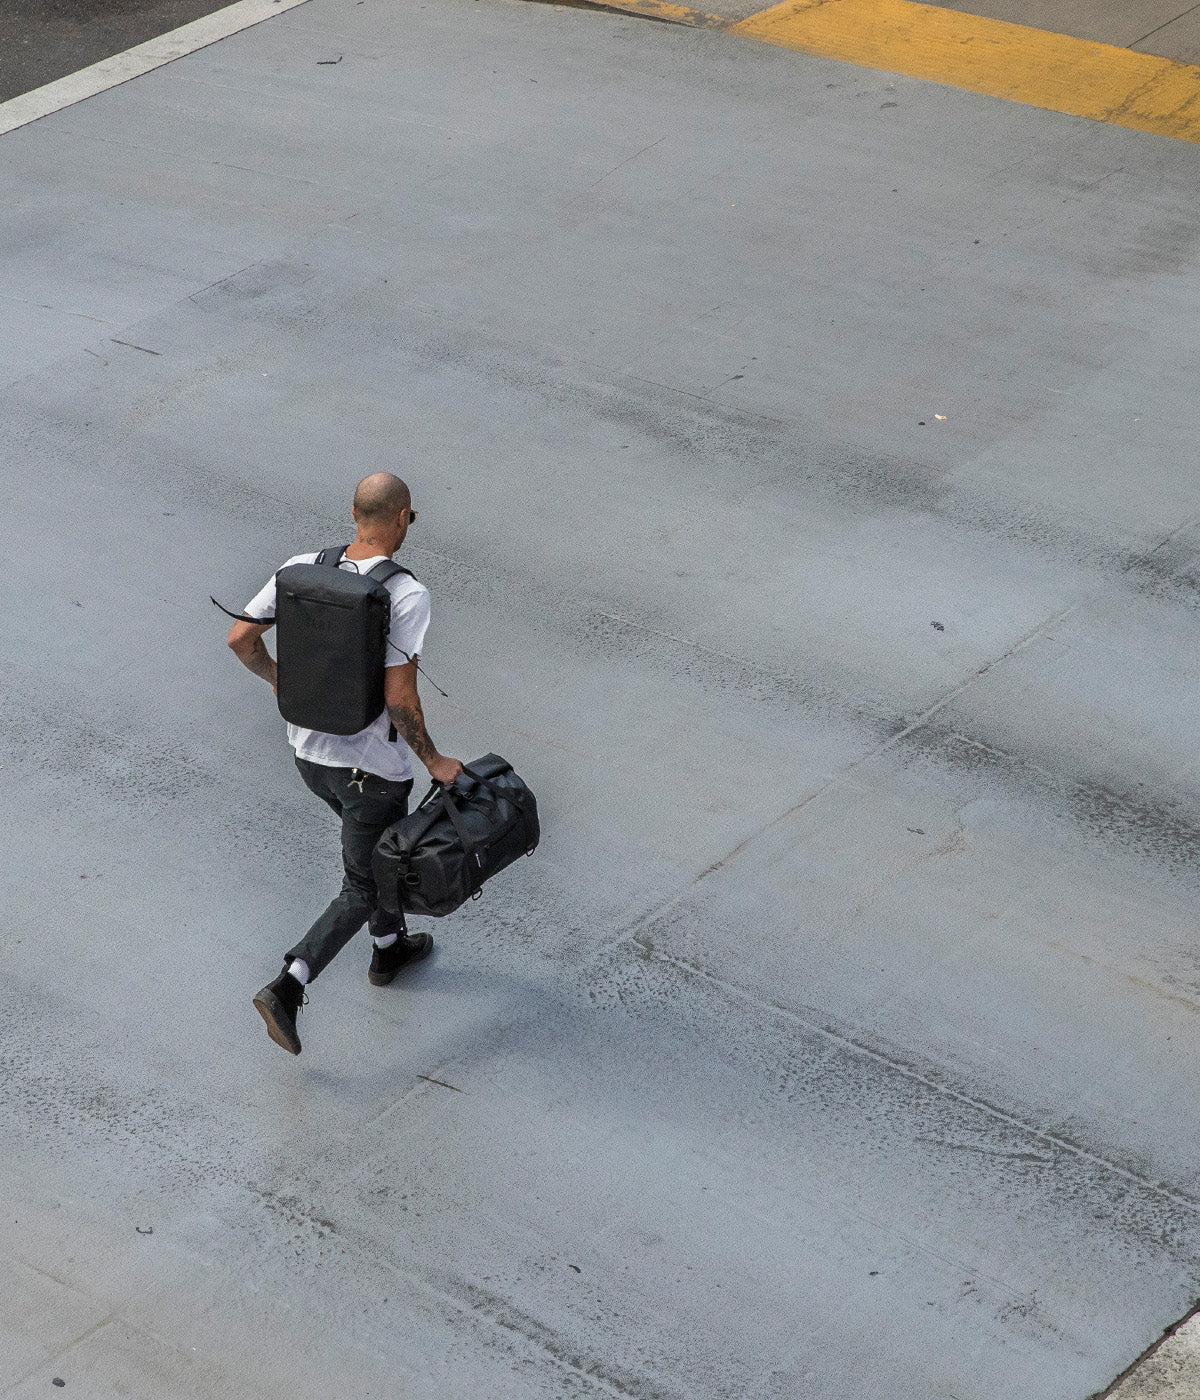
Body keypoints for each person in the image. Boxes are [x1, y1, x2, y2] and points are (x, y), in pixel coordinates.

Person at [226, 472, 463, 1055]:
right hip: (370, 770)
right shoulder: (405, 595)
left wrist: (287, 684)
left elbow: (240, 638)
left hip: (308, 754)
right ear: (403, 517)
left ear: (354, 514)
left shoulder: (302, 566)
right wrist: (433, 760)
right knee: (362, 881)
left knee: (376, 856)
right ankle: (289, 984)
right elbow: (400, 699)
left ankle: (388, 950)